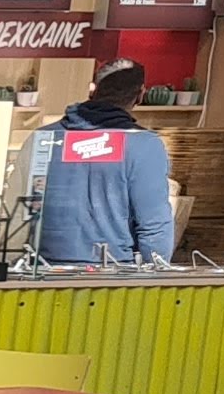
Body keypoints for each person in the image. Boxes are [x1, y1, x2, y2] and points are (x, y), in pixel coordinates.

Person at [35, 59, 175, 265]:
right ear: (140, 94)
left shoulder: (44, 138)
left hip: (39, 271)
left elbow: (18, 213)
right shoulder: (143, 145)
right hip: (110, 275)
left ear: (93, 90)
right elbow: (155, 228)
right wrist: (156, 275)